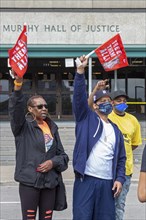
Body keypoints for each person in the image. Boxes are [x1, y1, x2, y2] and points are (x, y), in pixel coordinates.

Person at [8, 72, 69, 220]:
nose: (44, 109)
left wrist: (52, 162)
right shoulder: (22, 128)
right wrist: (18, 85)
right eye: (39, 106)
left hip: (49, 184)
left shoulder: (52, 127)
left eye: (46, 106)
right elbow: (16, 108)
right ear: (30, 109)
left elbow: (63, 156)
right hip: (30, 183)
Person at [72, 56, 126, 220]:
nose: (107, 103)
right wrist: (80, 72)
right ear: (94, 105)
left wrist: (119, 179)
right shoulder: (85, 119)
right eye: (102, 101)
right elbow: (79, 98)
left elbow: (121, 158)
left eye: (109, 101)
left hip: (107, 184)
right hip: (86, 181)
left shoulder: (116, 130)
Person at [89, 87, 142, 220]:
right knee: (102, 205)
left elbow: (134, 144)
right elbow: (88, 107)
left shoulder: (133, 120)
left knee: (119, 205)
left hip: (125, 171)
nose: (122, 103)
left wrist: (122, 153)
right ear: (111, 102)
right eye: (118, 100)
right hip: (106, 170)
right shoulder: (105, 116)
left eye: (124, 100)